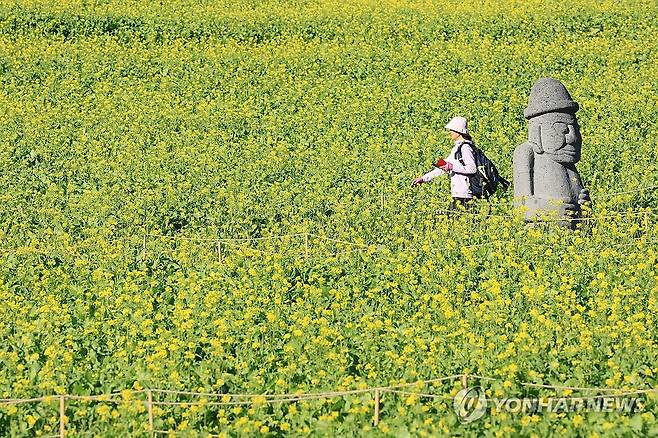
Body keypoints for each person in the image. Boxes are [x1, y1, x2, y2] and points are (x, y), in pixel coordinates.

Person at [412, 116, 477, 211]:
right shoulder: (457, 148)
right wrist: (423, 178)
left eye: (452, 130)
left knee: (455, 219)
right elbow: (442, 168)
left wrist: (451, 166)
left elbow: (472, 168)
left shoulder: (465, 148)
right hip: (457, 193)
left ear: (458, 132)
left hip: (465, 194)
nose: (450, 132)